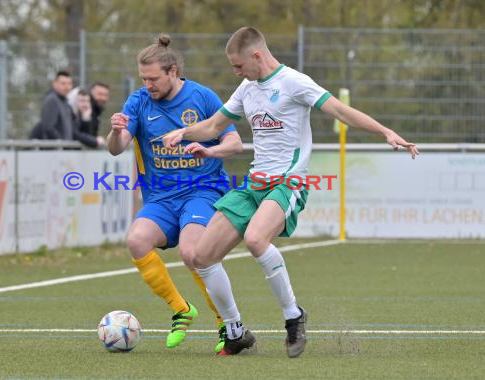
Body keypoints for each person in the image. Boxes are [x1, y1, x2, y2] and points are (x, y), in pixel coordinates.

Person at [163, 26, 419, 357]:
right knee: (201, 256)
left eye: (239, 66)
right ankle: (236, 331)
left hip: (288, 181)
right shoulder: (247, 88)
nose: (236, 72)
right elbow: (213, 126)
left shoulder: (294, 83)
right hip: (255, 184)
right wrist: (184, 132)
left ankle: (293, 316)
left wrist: (385, 131)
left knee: (256, 239)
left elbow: (341, 111)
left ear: (257, 55)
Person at [106, 33, 243, 352]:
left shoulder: (203, 97)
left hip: (203, 190)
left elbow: (234, 143)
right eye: (143, 78)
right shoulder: (138, 101)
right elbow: (117, 148)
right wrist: (114, 131)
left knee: (192, 252)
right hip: (161, 198)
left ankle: (225, 323)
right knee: (136, 240)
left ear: (172, 72)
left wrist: (209, 152)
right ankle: (181, 309)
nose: (148, 84)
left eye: (153, 78)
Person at [30, 70, 104, 148]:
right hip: (53, 152)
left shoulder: (64, 102)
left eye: (69, 83)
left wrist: (85, 119)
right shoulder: (52, 100)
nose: (67, 87)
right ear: (54, 84)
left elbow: (74, 130)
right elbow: (48, 128)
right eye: (63, 83)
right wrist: (63, 145)